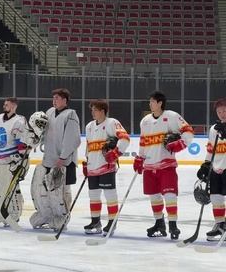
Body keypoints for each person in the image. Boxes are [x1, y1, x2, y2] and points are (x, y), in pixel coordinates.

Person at [133, 91, 194, 240]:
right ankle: (159, 223)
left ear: (160, 103)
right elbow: (143, 141)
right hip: (149, 165)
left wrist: (179, 144)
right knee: (154, 197)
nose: (150, 104)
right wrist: (140, 157)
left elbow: (188, 132)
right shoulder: (145, 121)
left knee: (170, 195)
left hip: (166, 165)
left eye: (152, 101)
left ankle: (173, 225)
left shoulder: (172, 116)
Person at [0, 98, 47, 225]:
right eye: (4, 104)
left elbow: (21, 142)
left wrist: (18, 160)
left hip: (9, 161)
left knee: (8, 189)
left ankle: (13, 213)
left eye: (7, 104)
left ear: (14, 106)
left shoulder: (19, 120)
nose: (4, 105)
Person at [30, 88, 81, 231]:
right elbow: (43, 132)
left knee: (60, 191)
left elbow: (73, 139)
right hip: (49, 159)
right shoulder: (49, 112)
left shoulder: (70, 115)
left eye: (57, 98)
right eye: (53, 98)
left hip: (63, 161)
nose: (54, 100)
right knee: (43, 190)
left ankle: (61, 216)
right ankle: (46, 215)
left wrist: (63, 156)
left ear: (65, 100)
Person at [83, 99, 130, 235]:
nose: (92, 112)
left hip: (106, 166)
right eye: (91, 110)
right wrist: (86, 162)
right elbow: (89, 146)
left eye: (95, 110)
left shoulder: (112, 123)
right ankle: (95, 220)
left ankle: (112, 221)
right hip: (93, 167)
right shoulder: (89, 126)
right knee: (93, 195)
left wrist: (116, 153)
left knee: (110, 195)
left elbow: (125, 138)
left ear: (102, 111)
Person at [197, 98, 226, 241]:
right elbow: (210, 149)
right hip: (216, 168)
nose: (222, 114)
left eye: (225, 111)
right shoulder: (214, 129)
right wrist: (206, 164)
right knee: (216, 198)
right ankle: (220, 225)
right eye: (219, 111)